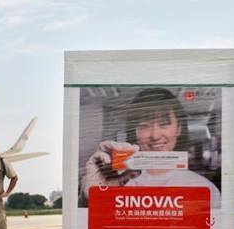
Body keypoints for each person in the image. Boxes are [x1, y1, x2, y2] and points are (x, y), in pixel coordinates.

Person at [81, 88, 221, 208]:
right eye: (144, 126)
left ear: (178, 128)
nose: (155, 136)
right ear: (134, 132)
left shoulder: (203, 188)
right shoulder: (115, 184)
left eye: (164, 124)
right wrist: (91, 197)